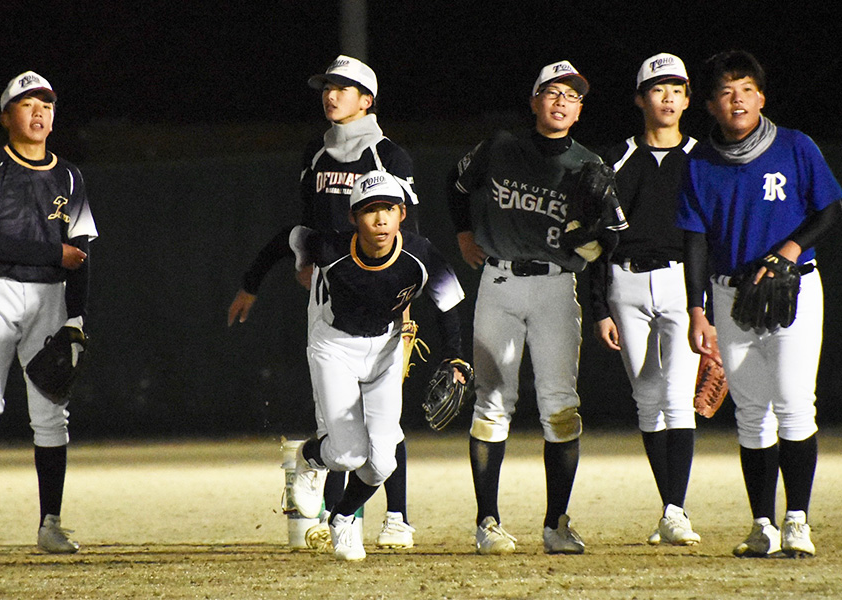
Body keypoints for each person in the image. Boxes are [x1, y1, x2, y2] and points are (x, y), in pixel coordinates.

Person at [227, 55, 419, 549]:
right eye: (327, 87)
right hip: (328, 296)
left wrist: (406, 296)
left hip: (382, 291)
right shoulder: (316, 152)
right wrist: (273, 273)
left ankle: (394, 515)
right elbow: (307, 227)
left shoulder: (389, 156)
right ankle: (340, 518)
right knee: (336, 421)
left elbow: (409, 232)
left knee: (385, 420)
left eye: (343, 87)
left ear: (367, 100)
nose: (331, 95)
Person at [448, 60, 626, 555]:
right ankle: (487, 522)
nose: (562, 101)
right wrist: (464, 233)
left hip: (555, 287)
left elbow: (612, 240)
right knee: (491, 404)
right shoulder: (500, 147)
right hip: (500, 282)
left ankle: (556, 524)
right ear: (534, 102)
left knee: (561, 407)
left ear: (580, 109)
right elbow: (455, 185)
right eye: (552, 92)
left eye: (572, 96)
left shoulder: (590, 164)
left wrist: (594, 239)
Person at [677, 50, 841, 558]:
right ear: (710, 105)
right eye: (726, 92)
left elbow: (829, 207)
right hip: (729, 293)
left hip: (793, 287)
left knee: (794, 405)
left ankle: (798, 523)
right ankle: (763, 526)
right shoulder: (700, 162)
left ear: (761, 97)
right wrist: (698, 309)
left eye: (746, 89)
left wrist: (788, 252)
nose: (738, 99)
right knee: (750, 413)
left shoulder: (795, 146)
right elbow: (695, 242)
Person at [0, 71, 97, 555]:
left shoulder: (69, 175)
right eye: (27, 104)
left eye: (47, 105)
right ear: (7, 116)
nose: (39, 112)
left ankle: (49, 523)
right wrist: (55, 255)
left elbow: (83, 251)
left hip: (50, 300)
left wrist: (77, 317)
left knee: (51, 413)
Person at [280, 170, 467, 560]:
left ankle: (342, 519)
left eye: (388, 209)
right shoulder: (331, 247)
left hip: (385, 348)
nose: (380, 219)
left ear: (401, 213)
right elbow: (293, 236)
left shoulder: (420, 252)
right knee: (348, 455)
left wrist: (455, 355)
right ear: (353, 218)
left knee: (381, 462)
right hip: (335, 347)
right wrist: (291, 264)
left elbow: (448, 302)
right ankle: (309, 459)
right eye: (369, 210)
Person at [591, 53, 701, 546]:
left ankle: (675, 511)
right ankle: (669, 508)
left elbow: (711, 236)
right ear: (641, 99)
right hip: (625, 285)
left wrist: (709, 307)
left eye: (676, 87)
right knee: (646, 401)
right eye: (658, 88)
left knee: (678, 399)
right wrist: (598, 309)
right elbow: (595, 240)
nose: (668, 96)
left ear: (688, 97)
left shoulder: (704, 157)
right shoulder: (613, 159)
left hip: (682, 284)